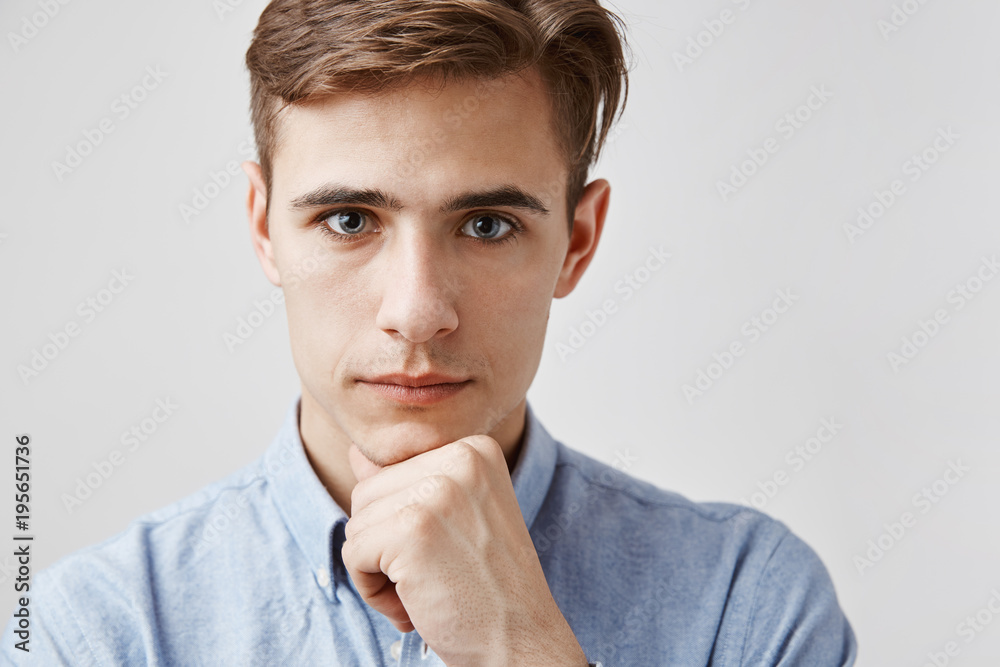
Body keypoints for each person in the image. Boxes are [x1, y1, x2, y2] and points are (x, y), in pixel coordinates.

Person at [2, 0, 857, 664]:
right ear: (263, 227)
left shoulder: (747, 605)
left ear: (579, 240)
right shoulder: (94, 632)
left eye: (486, 224)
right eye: (347, 219)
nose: (415, 310)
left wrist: (521, 649)